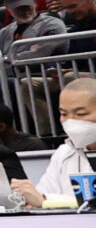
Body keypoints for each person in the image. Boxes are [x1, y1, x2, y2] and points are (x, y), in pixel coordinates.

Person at [20, 76, 96, 206]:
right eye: (64, 114)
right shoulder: (63, 153)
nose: (71, 121)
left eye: (81, 114)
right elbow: (40, 197)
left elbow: (43, 200)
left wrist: (46, 201)